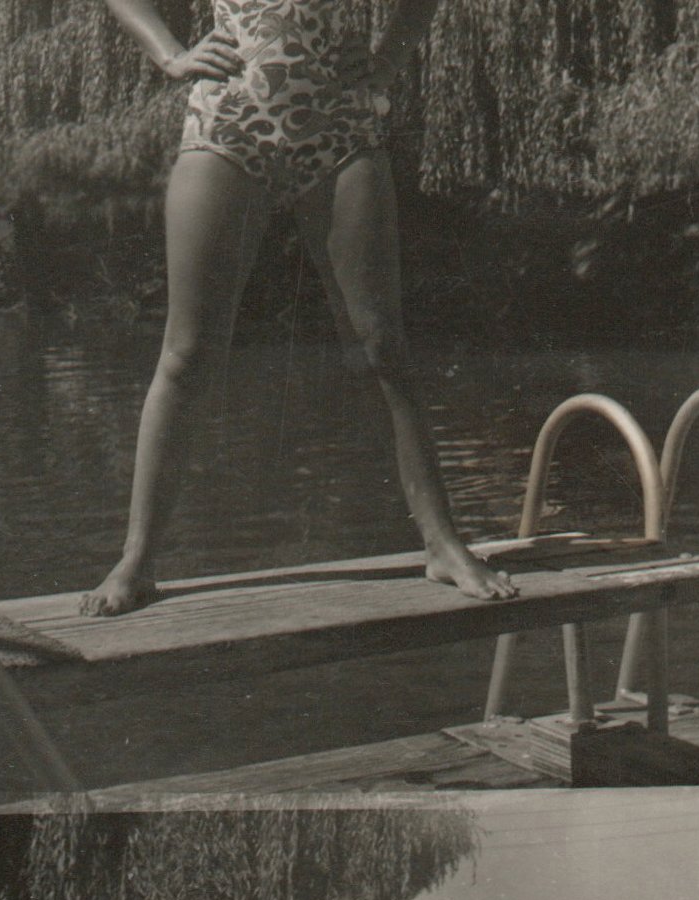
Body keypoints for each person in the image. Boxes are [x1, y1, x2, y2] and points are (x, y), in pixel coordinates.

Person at [84, 0, 519, 617]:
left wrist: (386, 60)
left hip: (338, 124)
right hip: (230, 121)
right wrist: (170, 54)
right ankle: (137, 559)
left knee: (381, 347)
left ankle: (443, 544)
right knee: (187, 353)